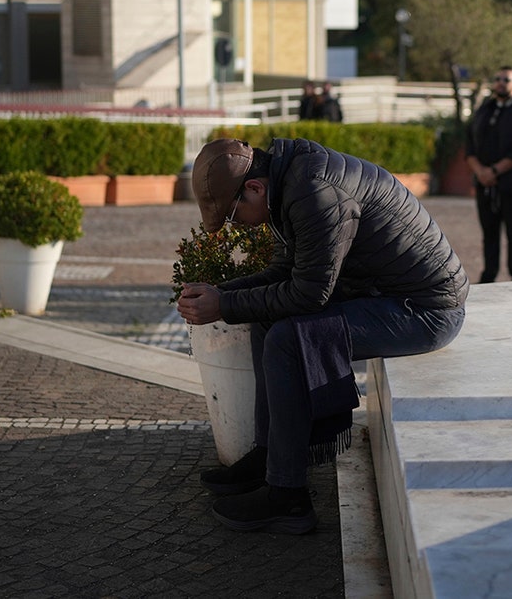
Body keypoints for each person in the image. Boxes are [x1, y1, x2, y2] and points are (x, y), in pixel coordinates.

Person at [176, 137, 469, 533]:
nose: (239, 225)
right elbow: (286, 276)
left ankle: (288, 498)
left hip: (425, 311)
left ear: (254, 188)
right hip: (387, 296)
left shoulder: (314, 191)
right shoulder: (288, 181)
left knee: (287, 341)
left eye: (233, 215)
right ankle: (270, 456)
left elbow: (309, 294)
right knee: (268, 322)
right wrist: (223, 293)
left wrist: (223, 306)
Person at [464, 66, 512, 283]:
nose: (501, 83)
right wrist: (481, 172)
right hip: (484, 183)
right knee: (489, 234)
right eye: (497, 79)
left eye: (506, 79)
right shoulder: (483, 109)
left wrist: (495, 170)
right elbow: (469, 144)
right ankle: (489, 277)